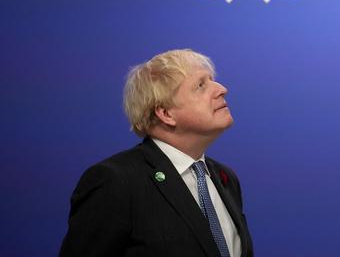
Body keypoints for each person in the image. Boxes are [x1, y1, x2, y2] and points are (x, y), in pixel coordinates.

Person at [60, 49, 253, 257]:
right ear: (166, 113)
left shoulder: (226, 179)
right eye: (200, 85)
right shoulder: (116, 182)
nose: (222, 89)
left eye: (212, 80)